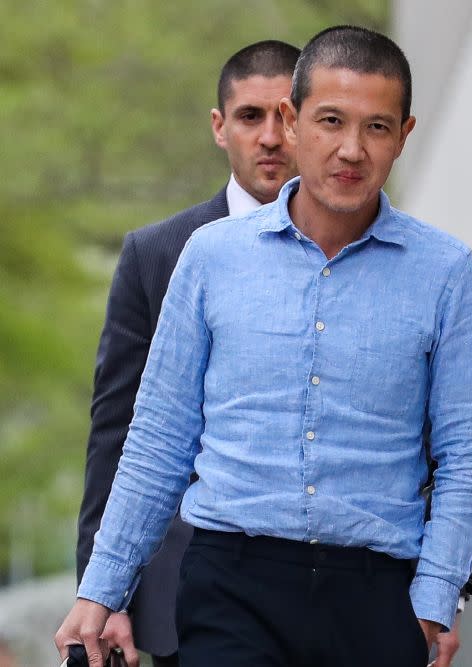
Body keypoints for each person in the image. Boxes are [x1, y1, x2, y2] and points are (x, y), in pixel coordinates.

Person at [56, 25, 472, 667]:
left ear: (404, 135)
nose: (351, 149)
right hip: (231, 583)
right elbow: (157, 440)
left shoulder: (448, 273)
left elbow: (464, 457)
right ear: (293, 123)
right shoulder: (209, 258)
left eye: (376, 127)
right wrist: (101, 590)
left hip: (376, 596)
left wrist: (434, 598)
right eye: (330, 121)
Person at [73, 39, 300, 667]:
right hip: (187, 596)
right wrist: (104, 593)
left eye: (286, 114)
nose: (271, 136)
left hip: (335, 593)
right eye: (251, 116)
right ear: (219, 128)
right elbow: (116, 437)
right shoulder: (157, 254)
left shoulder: (378, 255)